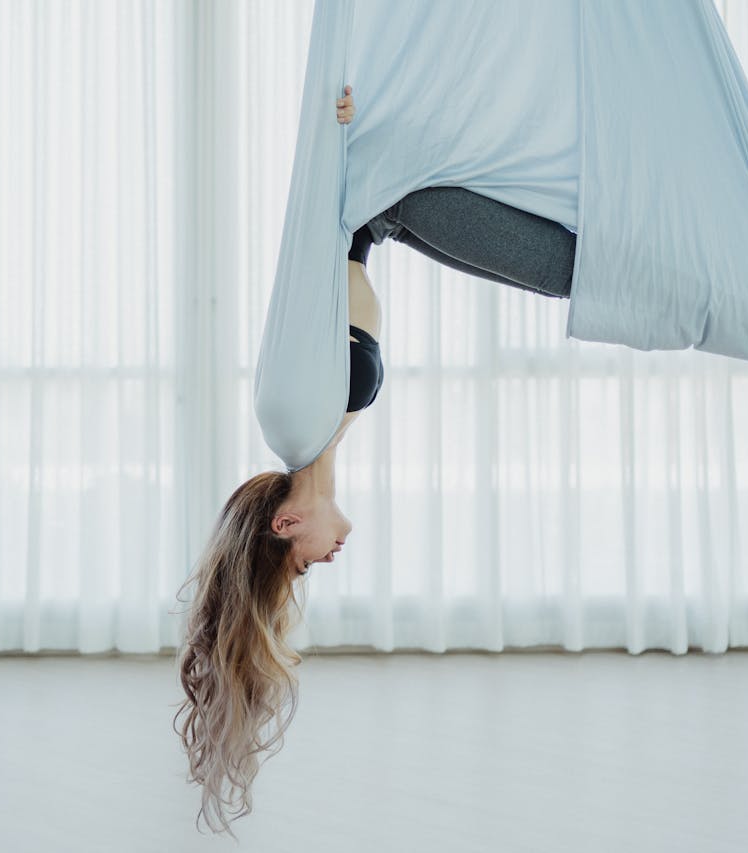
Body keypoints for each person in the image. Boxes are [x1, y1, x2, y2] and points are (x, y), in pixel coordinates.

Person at [173, 85, 579, 838]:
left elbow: (301, 269)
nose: (325, 561)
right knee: (574, 262)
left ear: (287, 521)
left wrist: (336, 139)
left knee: (573, 269)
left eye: (302, 564)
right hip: (381, 205)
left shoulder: (292, 414)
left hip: (380, 191)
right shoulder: (321, 432)